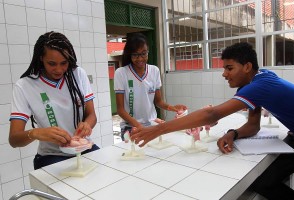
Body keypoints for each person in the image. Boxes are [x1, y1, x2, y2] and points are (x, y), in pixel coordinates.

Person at [131, 42, 294, 200]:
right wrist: (233, 134)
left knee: (263, 182)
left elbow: (212, 114)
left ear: (247, 67)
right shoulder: (260, 78)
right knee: (263, 179)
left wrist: (157, 130)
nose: (224, 74)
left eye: (229, 68)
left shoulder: (260, 86)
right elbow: (253, 125)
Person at [9, 31, 100, 169]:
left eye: (64, 63)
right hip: (51, 156)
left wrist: (87, 125)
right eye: (52, 63)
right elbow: (14, 139)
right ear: (41, 58)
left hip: (82, 148)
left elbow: (91, 115)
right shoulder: (25, 86)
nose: (59, 69)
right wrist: (36, 133)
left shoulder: (78, 74)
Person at [114, 33, 186, 140]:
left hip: (152, 123)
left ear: (148, 52)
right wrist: (140, 126)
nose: (140, 59)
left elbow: (158, 102)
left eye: (143, 53)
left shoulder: (154, 70)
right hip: (131, 126)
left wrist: (173, 108)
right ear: (130, 55)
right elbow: (120, 110)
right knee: (135, 155)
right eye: (135, 55)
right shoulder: (121, 73)